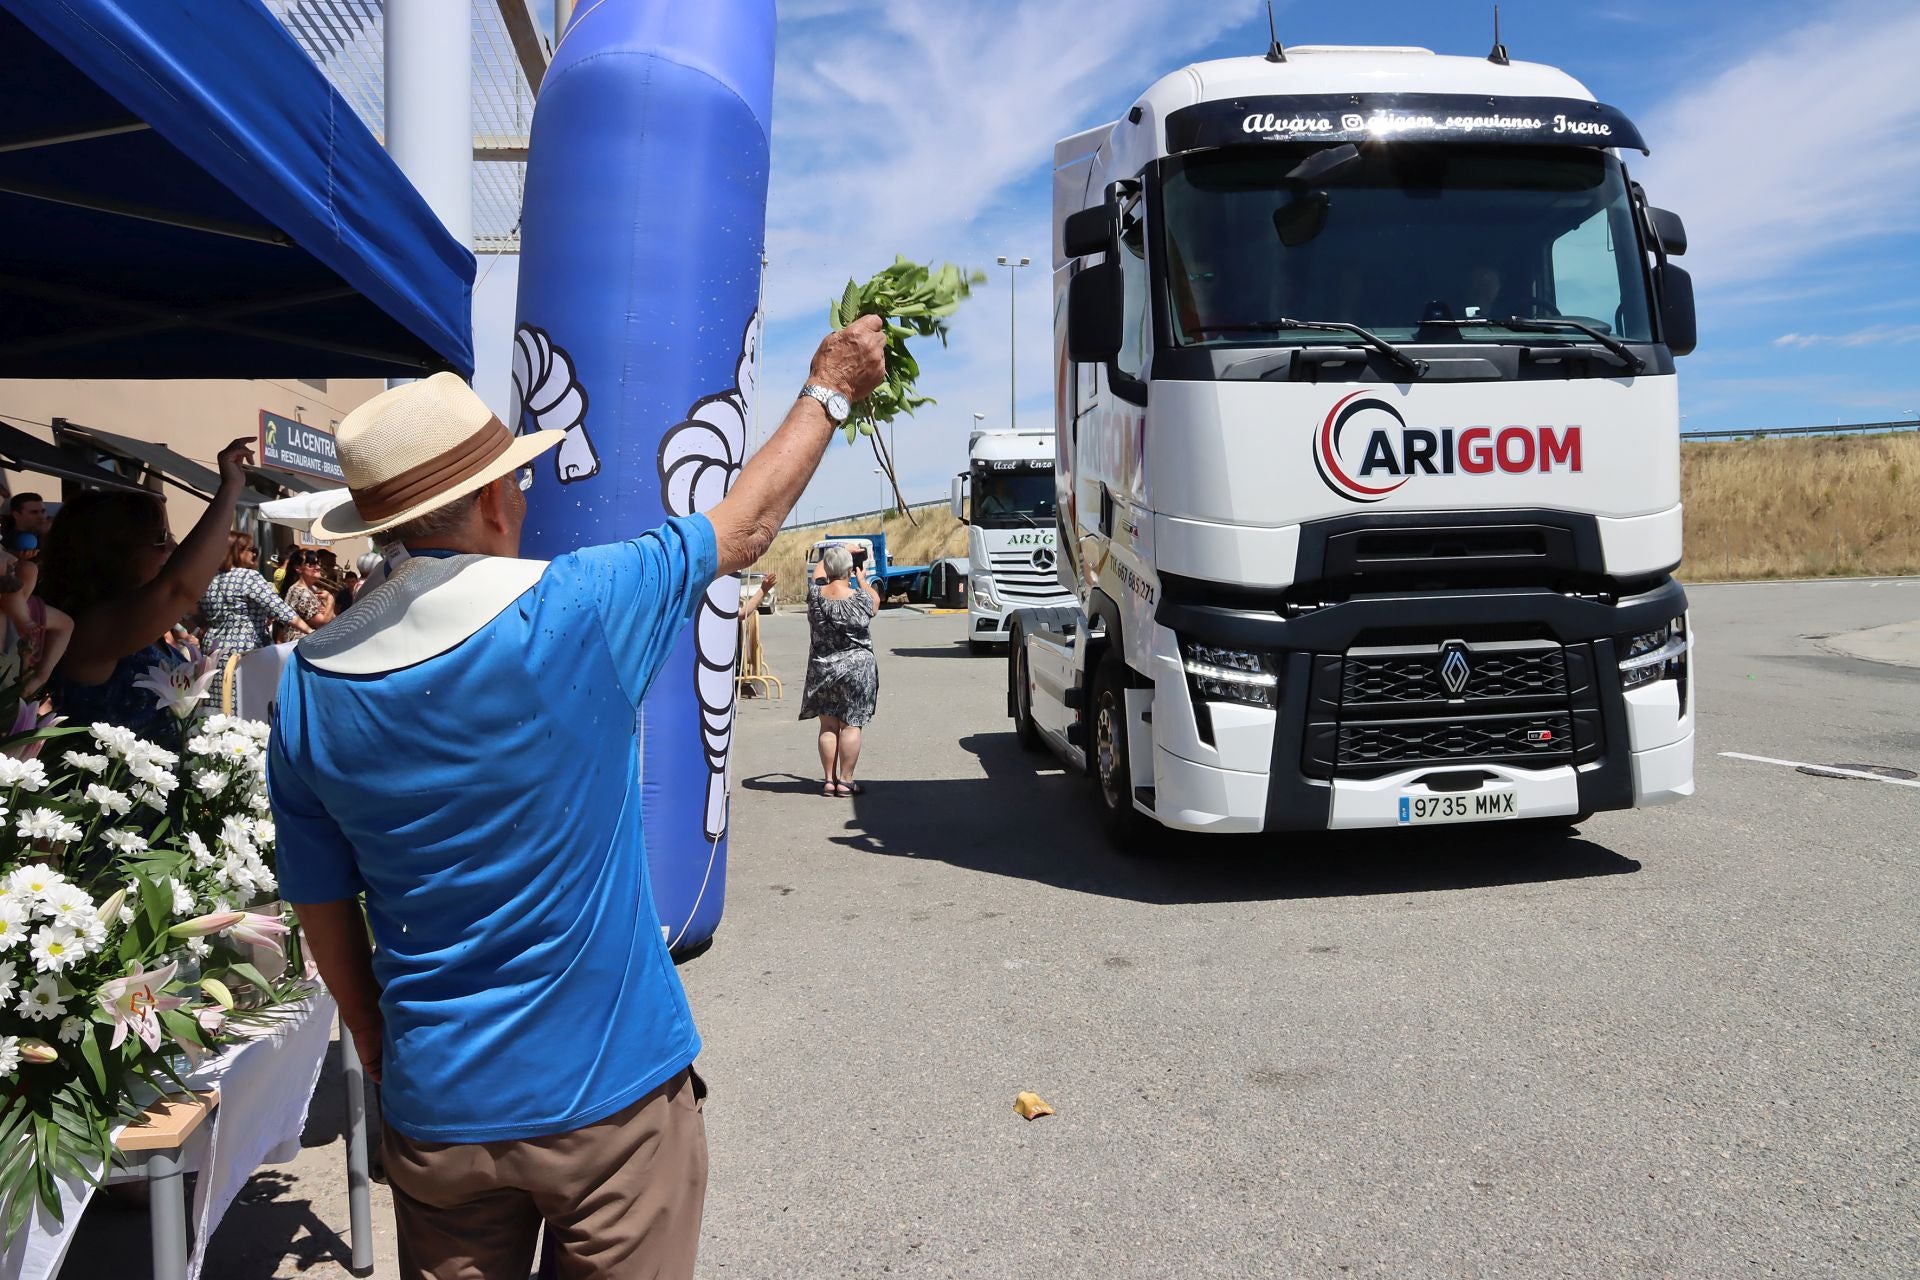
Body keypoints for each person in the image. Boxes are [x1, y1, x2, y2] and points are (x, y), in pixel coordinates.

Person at [270, 316, 886, 1279]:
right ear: (488, 504)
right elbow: (749, 524)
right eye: (512, 478)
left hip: (441, 1109)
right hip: (612, 1097)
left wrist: (377, 1042)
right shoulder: (578, 606)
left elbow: (320, 898)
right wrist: (830, 388)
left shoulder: (312, 679)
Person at [38, 439, 257, 742]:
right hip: (111, 785)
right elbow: (180, 588)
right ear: (113, 551)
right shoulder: (90, 627)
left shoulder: (120, 615)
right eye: (160, 539)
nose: (172, 548)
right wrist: (230, 489)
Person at [800, 544, 881, 797]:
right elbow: (876, 603)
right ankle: (846, 781)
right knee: (851, 725)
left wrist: (836, 551)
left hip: (823, 668)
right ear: (848, 570)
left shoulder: (815, 596)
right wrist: (862, 580)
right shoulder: (860, 597)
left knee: (828, 726)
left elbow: (817, 574)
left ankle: (828, 780)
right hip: (857, 669)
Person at [201, 532, 310, 700]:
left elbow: (196, 613)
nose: (254, 554)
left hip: (213, 650)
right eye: (252, 549)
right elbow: (280, 609)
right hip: (244, 651)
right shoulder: (248, 576)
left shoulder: (209, 578)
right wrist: (309, 631)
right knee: (246, 706)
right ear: (236, 551)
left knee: (218, 706)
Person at [280, 548, 335, 631]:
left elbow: (332, 617)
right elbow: (323, 623)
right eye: (312, 564)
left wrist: (327, 610)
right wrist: (330, 600)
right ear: (298, 568)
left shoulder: (314, 589)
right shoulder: (300, 592)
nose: (318, 567)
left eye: (318, 563)